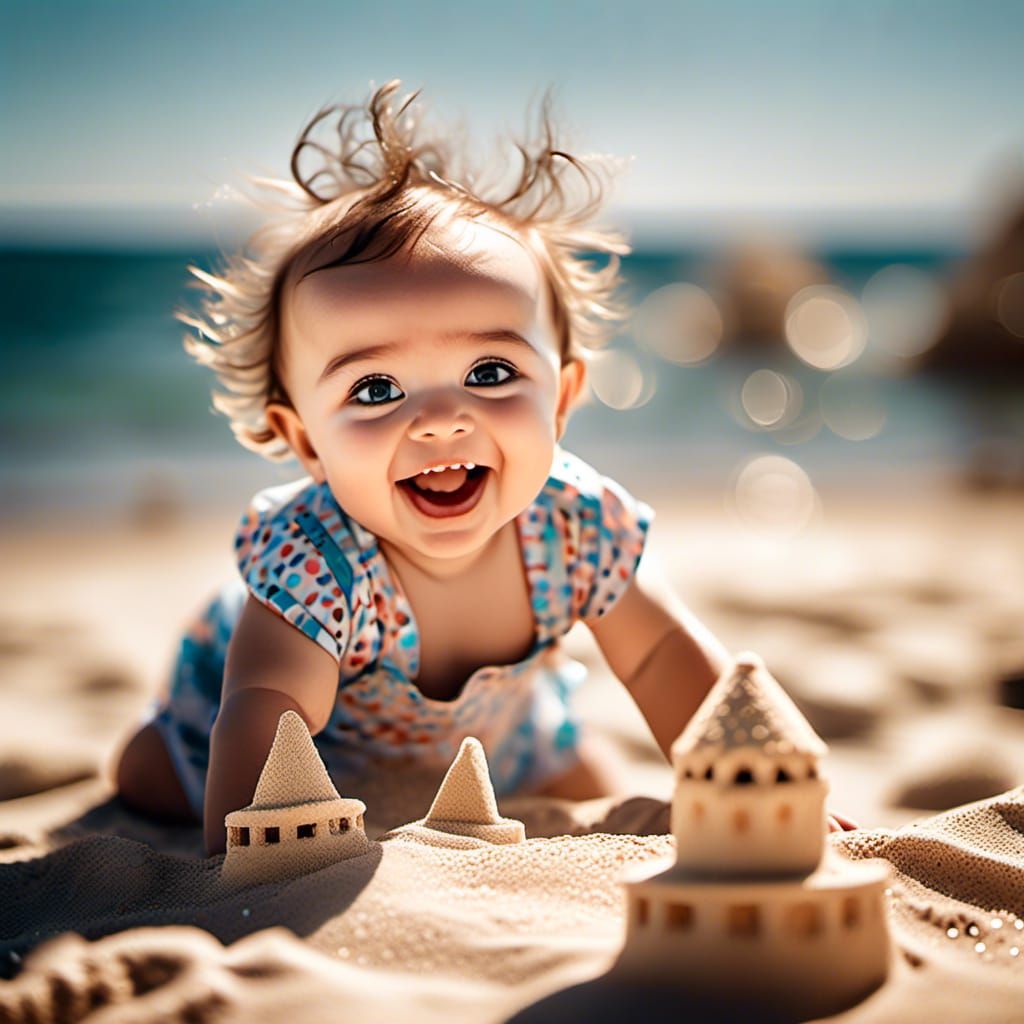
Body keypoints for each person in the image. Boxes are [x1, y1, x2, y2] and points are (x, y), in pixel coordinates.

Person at [110, 81, 846, 857]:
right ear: (306, 442)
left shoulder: (573, 524)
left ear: (561, 399)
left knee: (588, 780)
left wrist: (755, 778)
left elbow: (663, 656)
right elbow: (268, 704)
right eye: (375, 389)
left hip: (506, 739)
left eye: (489, 372)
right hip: (323, 760)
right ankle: (160, 749)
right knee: (147, 775)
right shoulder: (317, 561)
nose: (438, 418)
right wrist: (244, 858)